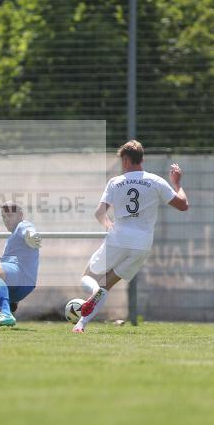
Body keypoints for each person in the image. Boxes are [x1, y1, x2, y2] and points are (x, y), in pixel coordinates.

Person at [72, 140, 188, 334]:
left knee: (89, 277)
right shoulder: (156, 181)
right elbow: (183, 205)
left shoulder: (115, 182)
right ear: (141, 159)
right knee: (106, 285)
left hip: (119, 239)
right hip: (142, 245)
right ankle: (80, 325)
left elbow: (99, 212)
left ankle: (90, 298)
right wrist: (177, 184)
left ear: (125, 160)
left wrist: (107, 224)